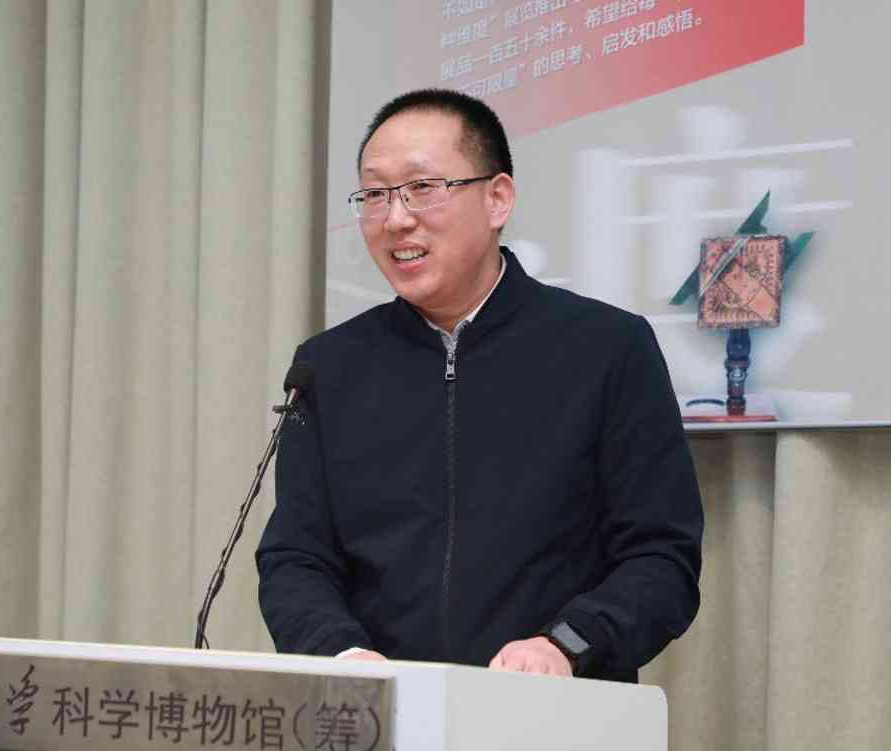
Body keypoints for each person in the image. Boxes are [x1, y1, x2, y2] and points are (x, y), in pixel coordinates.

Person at [256, 89, 703, 681]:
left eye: (422, 187)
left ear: (497, 199)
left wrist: (566, 645)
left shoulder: (608, 349)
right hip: (379, 711)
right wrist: (342, 654)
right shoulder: (327, 367)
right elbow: (295, 557)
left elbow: (661, 557)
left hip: (552, 707)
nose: (396, 218)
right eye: (375, 194)